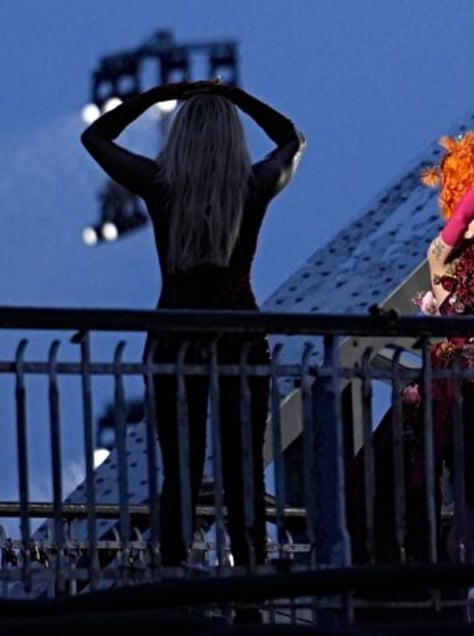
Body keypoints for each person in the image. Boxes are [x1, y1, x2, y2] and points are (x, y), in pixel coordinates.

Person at [80, 81, 305, 604]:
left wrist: (160, 92)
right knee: (243, 475)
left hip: (174, 338)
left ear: (179, 137)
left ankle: (175, 590)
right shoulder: (253, 186)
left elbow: (95, 137)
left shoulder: (161, 185)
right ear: (232, 138)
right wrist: (242, 98)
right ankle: (250, 599)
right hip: (241, 340)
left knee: (179, 473)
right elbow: (292, 138)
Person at [346, 132, 474, 623]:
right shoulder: (442, 255)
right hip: (457, 391)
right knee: (470, 511)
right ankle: (460, 613)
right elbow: (461, 220)